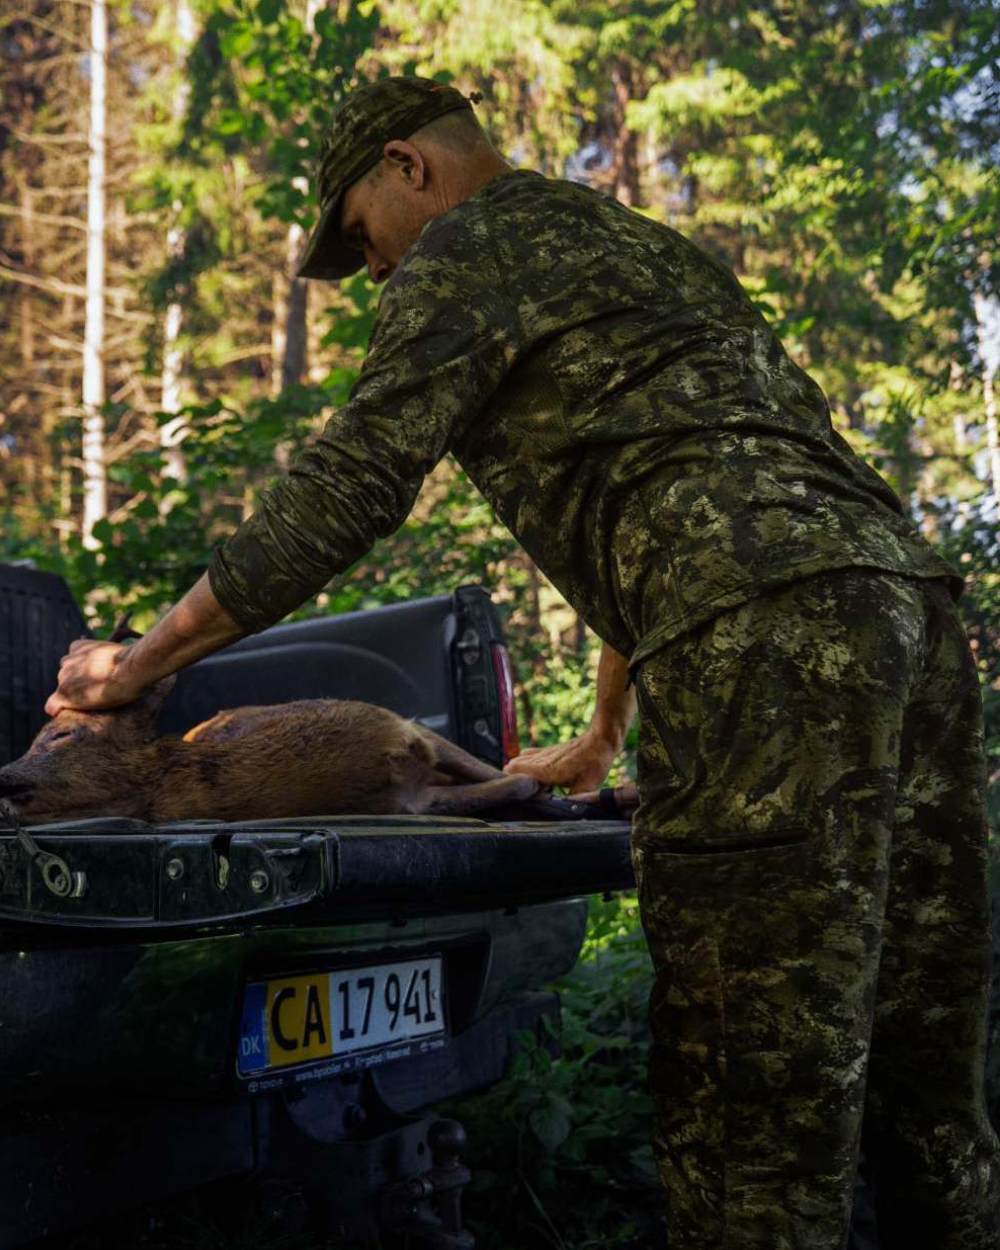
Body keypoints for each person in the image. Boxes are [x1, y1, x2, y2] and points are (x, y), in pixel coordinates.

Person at [46, 77, 999, 1248]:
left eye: (360, 236)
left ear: (411, 167)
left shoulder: (462, 252)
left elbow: (346, 490)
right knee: (930, 1084)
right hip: (906, 616)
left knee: (756, 1117)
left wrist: (134, 666)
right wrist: (604, 729)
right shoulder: (638, 247)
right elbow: (689, 500)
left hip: (762, 649)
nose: (379, 272)